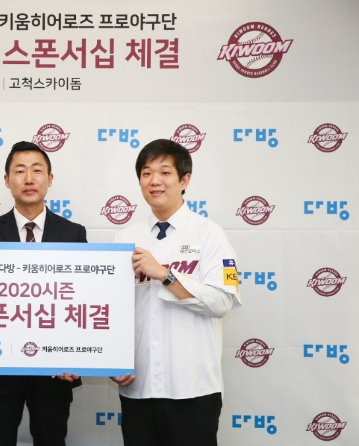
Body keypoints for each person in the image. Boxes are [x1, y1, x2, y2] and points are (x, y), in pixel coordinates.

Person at [113, 139, 241, 446]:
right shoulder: (125, 237)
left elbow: (222, 302)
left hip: (193, 389)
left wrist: (166, 275)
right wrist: (114, 360)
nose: (154, 181)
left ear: (184, 180)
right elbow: (113, 312)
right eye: (146, 173)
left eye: (165, 172)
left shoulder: (210, 234)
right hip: (139, 388)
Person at [0, 141, 87, 446]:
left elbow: (83, 301)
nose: (29, 178)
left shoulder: (73, 234)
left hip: (55, 371)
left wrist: (77, 358)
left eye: (37, 170)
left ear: (50, 178)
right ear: (7, 180)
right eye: (20, 171)